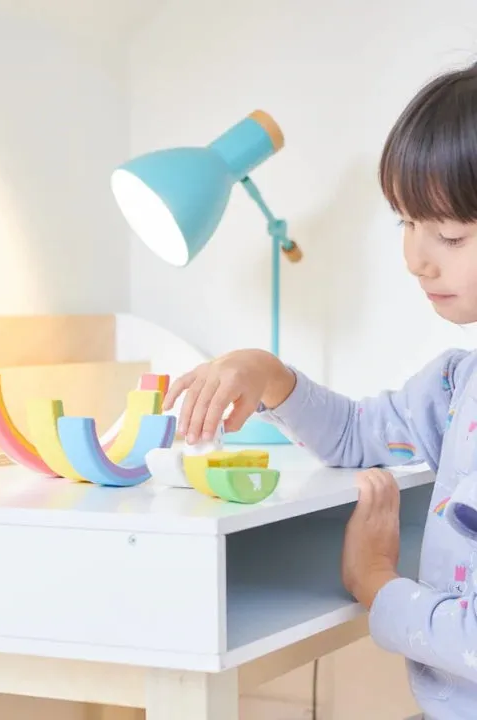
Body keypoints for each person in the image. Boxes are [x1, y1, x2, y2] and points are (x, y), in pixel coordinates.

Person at [162, 61, 477, 720]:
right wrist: (270, 377)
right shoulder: (457, 384)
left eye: (448, 233)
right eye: (405, 224)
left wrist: (377, 585)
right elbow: (361, 435)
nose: (416, 259)